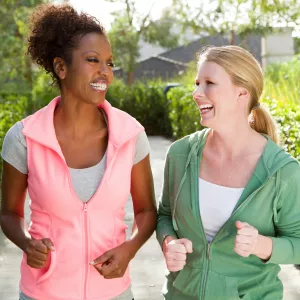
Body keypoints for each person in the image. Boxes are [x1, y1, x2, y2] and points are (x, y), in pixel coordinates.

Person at [0, 4, 157, 300]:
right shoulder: (24, 138)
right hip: (43, 293)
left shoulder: (130, 135)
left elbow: (147, 210)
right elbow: (9, 213)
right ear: (61, 67)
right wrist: (26, 243)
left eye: (110, 63)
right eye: (93, 60)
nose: (105, 72)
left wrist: (129, 249)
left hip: (113, 293)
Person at [156, 45, 300, 300]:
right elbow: (165, 215)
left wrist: (262, 245)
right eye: (197, 83)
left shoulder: (282, 171)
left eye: (209, 83)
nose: (196, 93)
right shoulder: (180, 154)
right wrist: (169, 242)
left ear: (241, 93)